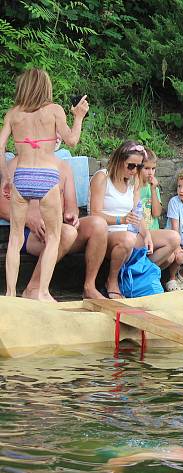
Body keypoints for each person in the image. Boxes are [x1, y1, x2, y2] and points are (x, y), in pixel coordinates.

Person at [0, 68, 88, 301]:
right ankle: (42, 292)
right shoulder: (55, 110)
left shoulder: (13, 114)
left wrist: (6, 178)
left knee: (15, 238)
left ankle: (10, 294)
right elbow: (72, 140)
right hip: (47, 176)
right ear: (46, 87)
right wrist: (78, 116)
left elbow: (0, 147)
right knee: (53, 237)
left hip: (21, 176)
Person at [1, 154, 108, 299]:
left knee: (98, 224)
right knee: (66, 233)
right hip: (30, 233)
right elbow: (2, 207)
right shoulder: (15, 165)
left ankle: (89, 287)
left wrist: (72, 215)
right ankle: (33, 288)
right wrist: (28, 219)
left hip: (57, 228)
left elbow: (72, 207)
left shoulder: (63, 166)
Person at [89, 141, 181, 298]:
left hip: (130, 233)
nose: (134, 171)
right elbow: (95, 214)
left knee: (173, 238)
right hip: (107, 234)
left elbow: (136, 214)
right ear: (119, 160)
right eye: (131, 166)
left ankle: (136, 276)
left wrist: (146, 235)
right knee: (128, 239)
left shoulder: (134, 181)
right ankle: (112, 281)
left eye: (139, 167)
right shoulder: (102, 177)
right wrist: (121, 220)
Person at [140, 148, 163, 232]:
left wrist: (153, 190)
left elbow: (156, 213)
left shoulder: (154, 188)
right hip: (139, 232)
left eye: (153, 169)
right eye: (146, 168)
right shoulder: (133, 188)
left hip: (153, 231)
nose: (150, 172)